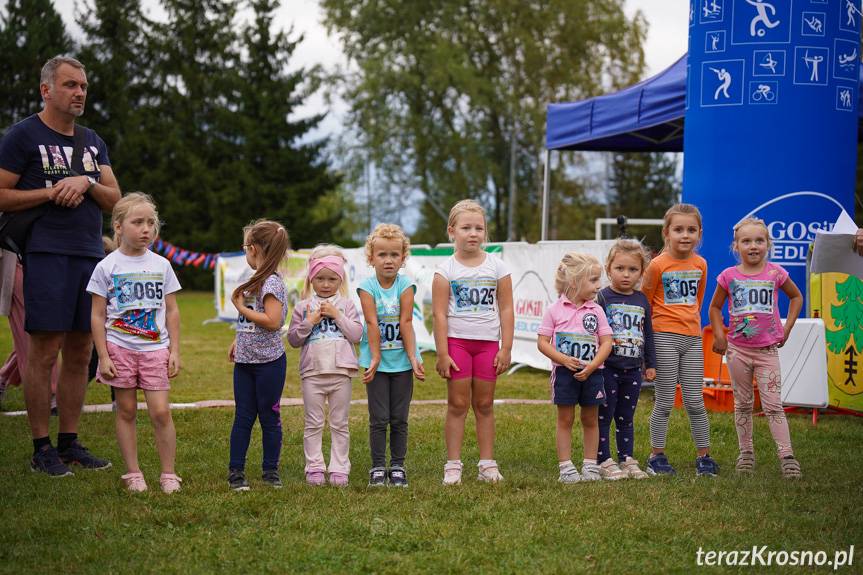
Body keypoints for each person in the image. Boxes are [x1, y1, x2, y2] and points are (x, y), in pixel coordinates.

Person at [0, 55, 121, 476]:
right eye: (70, 85)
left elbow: (116, 199)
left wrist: (86, 182)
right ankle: (41, 447)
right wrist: (50, 192)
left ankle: (69, 443)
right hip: (43, 254)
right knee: (43, 350)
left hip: (90, 254)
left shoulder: (92, 141)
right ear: (46, 90)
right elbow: (1, 195)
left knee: (80, 350)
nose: (80, 93)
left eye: (83, 86)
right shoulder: (22, 136)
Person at [87, 193, 182, 493]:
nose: (146, 229)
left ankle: (169, 473)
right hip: (119, 349)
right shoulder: (106, 266)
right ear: (118, 225)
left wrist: (175, 350)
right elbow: (97, 315)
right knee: (125, 410)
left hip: (155, 350)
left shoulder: (162, 265)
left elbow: (174, 310)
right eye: (138, 222)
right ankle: (133, 473)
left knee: (160, 412)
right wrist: (103, 355)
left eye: (151, 223)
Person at [708, 217, 803, 479]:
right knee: (742, 403)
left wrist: (787, 327)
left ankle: (787, 456)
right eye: (746, 241)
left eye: (759, 241)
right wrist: (719, 334)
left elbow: (796, 297)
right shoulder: (728, 276)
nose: (753, 246)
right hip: (738, 351)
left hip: (767, 352)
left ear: (768, 244)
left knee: (773, 405)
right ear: (736, 246)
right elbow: (714, 308)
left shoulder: (776, 273)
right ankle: (746, 453)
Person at [432, 199, 514, 485]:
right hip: (457, 344)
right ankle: (453, 464)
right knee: (457, 403)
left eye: (479, 228)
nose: (473, 233)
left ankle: (487, 464)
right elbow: (439, 314)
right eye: (466, 227)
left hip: (488, 344)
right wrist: (442, 353)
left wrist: (506, 348)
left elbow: (506, 308)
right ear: (452, 231)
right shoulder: (445, 270)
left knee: (484, 403)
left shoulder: (498, 267)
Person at [641, 203, 718, 477]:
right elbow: (645, 304)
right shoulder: (657, 265)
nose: (685, 235)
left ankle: (705, 457)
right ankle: (656, 456)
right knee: (663, 402)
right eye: (678, 230)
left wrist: (692, 326)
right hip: (663, 337)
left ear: (699, 234)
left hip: (693, 339)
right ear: (666, 233)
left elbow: (698, 300)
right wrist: (647, 346)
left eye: (691, 230)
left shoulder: (701, 264)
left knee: (695, 401)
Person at [288, 245, 362, 487]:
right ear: (311, 279)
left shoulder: (347, 305)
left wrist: (337, 315)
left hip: (341, 372)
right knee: (313, 422)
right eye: (320, 278)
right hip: (313, 373)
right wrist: (309, 322)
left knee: (340, 422)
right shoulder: (302, 307)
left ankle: (340, 468)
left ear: (340, 280)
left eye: (332, 279)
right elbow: (294, 340)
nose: (326, 284)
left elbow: (356, 335)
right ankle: (315, 467)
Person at [357, 224, 425, 487]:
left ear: (403, 258)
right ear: (371, 257)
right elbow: (372, 323)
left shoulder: (406, 285)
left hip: (401, 364)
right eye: (382, 255)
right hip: (376, 364)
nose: (388, 260)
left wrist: (413, 358)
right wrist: (374, 358)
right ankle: (377, 467)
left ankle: (397, 466)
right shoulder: (367, 286)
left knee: (399, 417)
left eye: (394, 255)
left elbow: (406, 322)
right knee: (379, 418)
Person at [537, 253, 613, 483]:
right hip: (564, 375)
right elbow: (542, 342)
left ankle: (590, 466)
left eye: (598, 279)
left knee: (591, 419)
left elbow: (607, 342)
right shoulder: (554, 310)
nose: (598, 285)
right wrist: (562, 358)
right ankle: (566, 468)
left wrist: (593, 365)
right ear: (573, 282)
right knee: (565, 419)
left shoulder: (597, 310)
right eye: (592, 280)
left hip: (593, 375)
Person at [227, 220, 290, 491]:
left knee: (269, 416)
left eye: (245, 248)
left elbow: (273, 321)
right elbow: (253, 322)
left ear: (253, 249)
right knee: (243, 416)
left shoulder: (272, 284)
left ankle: (270, 471)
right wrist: (237, 340)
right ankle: (236, 471)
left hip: (269, 364)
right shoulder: (255, 281)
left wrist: (240, 308)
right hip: (245, 363)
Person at [595, 239, 656, 480]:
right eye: (620, 268)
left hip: (632, 370)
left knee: (626, 416)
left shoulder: (641, 300)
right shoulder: (602, 298)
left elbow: (647, 333)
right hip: (607, 368)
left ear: (642, 272)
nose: (626, 275)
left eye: (633, 270)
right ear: (609, 268)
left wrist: (650, 364)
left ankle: (626, 458)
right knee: (605, 414)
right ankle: (603, 458)